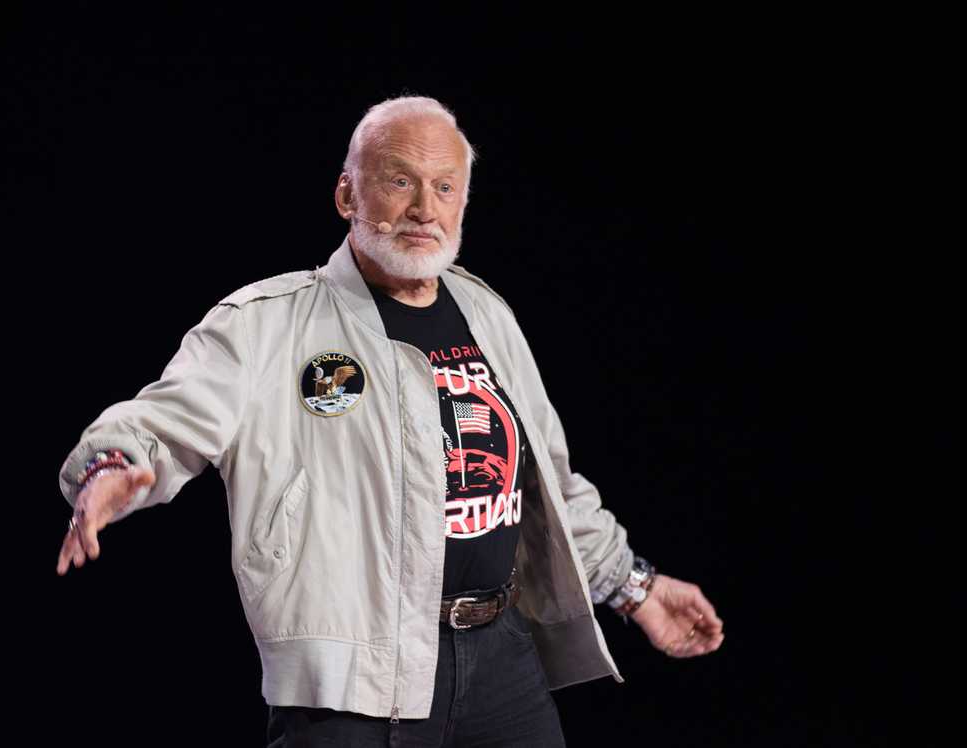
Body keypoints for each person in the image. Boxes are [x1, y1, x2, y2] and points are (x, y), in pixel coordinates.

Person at [56, 95, 725, 745]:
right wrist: (110, 467)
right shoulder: (266, 324)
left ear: (464, 201)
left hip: (500, 661)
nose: (422, 209)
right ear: (348, 195)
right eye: (399, 181)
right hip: (355, 686)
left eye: (444, 187)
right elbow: (162, 421)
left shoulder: (486, 313)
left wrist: (636, 589)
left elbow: (544, 481)